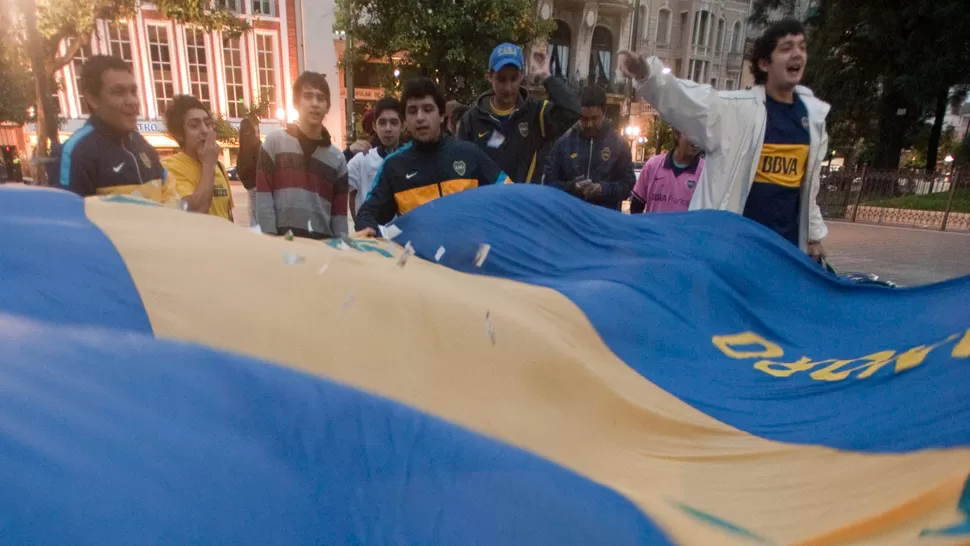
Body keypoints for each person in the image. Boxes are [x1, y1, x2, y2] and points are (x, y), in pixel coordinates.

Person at [618, 19, 829, 259]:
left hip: (785, 253)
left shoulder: (812, 120)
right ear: (764, 63)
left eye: (802, 47)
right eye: (786, 48)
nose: (797, 54)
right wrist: (647, 73)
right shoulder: (735, 111)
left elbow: (809, 187)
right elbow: (686, 100)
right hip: (735, 253)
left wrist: (813, 237)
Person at [355, 77, 511, 236]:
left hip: (468, 258)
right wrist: (368, 228)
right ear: (405, 120)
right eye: (412, 111)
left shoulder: (470, 154)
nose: (420, 117)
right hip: (418, 259)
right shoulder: (394, 166)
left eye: (428, 109)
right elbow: (368, 213)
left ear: (442, 115)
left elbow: (509, 194)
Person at [59, 55, 177, 203]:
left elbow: (171, 196)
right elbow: (68, 216)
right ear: (93, 99)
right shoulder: (78, 152)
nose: (132, 101)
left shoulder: (142, 145)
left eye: (133, 91)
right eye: (119, 92)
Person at [457, 43, 580, 184]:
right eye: (501, 79)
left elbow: (573, 110)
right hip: (487, 203)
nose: (508, 87)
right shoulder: (472, 119)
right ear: (490, 76)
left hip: (523, 203)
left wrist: (547, 77)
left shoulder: (536, 112)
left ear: (522, 75)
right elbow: (462, 168)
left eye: (513, 78)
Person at [255, 71, 349, 239]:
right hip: (281, 247)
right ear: (296, 103)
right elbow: (263, 199)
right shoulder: (274, 144)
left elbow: (339, 216)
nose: (315, 103)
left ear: (327, 106)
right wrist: (269, 240)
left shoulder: (337, 159)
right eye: (308, 96)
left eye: (321, 98)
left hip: (321, 250)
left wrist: (341, 248)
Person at [543, 86, 635, 211]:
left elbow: (628, 184)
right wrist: (572, 187)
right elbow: (548, 184)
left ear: (604, 113)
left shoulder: (619, 144)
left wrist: (603, 189)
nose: (589, 124)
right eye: (584, 119)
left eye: (594, 118)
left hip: (604, 220)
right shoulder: (563, 143)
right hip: (570, 219)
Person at [162, 95, 234, 221]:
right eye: (194, 126)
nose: (205, 130)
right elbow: (196, 212)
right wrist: (208, 165)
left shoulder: (219, 166)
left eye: (208, 124)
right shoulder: (170, 168)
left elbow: (227, 214)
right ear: (179, 135)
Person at [347, 97, 403, 222]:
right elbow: (335, 182)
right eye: (382, 123)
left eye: (394, 123)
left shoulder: (410, 160)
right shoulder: (362, 160)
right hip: (370, 237)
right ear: (374, 126)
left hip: (403, 238)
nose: (388, 128)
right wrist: (348, 153)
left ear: (403, 126)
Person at [630, 129, 704, 213]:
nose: (697, 140)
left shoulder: (705, 173)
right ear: (677, 134)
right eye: (692, 134)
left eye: (701, 135)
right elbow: (636, 205)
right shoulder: (652, 166)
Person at [236, 108, 261, 226]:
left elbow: (239, 168)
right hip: (260, 186)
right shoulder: (257, 145)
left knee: (253, 215)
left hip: (250, 187)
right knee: (260, 216)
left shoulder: (242, 147)